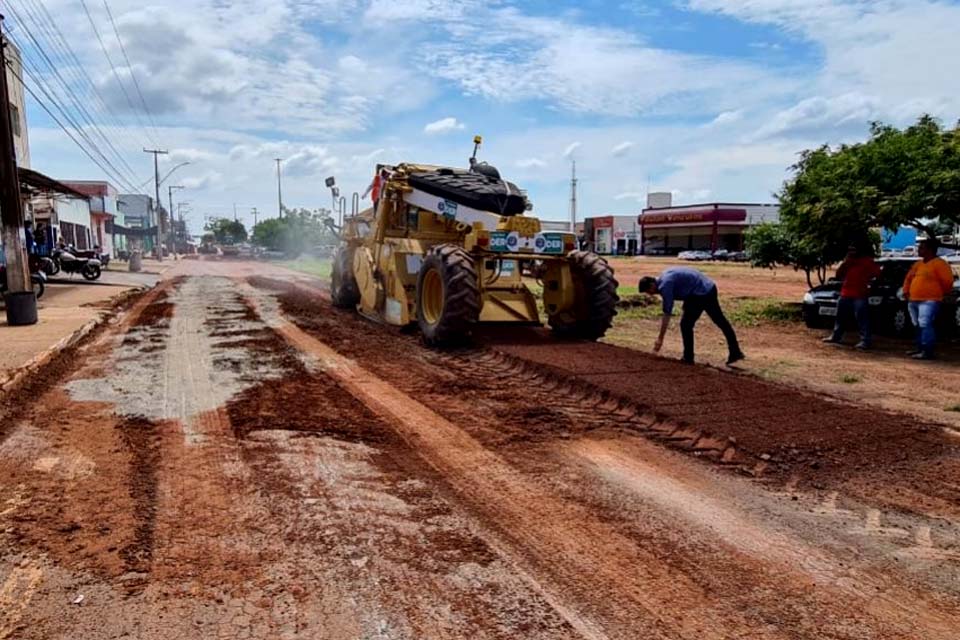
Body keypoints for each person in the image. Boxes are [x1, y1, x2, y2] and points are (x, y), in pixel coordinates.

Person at [639, 267, 745, 365]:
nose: (651, 294)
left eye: (649, 291)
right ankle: (735, 351)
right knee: (720, 321)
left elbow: (667, 313)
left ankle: (688, 357)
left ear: (652, 285)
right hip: (708, 287)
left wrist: (660, 339)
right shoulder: (664, 276)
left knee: (686, 325)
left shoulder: (665, 285)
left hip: (700, 293)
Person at [902, 238, 955, 360]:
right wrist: (906, 291)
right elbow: (908, 278)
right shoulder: (918, 264)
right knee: (917, 325)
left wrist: (940, 293)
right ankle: (919, 348)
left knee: (925, 324)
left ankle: (927, 351)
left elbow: (947, 282)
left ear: (929, 250)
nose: (919, 250)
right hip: (913, 299)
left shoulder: (940, 264)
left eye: (921, 248)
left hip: (929, 300)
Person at [823, 243, 881, 349]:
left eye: (853, 250)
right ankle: (836, 336)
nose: (851, 252)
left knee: (862, 318)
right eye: (850, 250)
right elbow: (839, 274)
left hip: (860, 294)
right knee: (840, 317)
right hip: (845, 293)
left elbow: (877, 274)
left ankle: (865, 340)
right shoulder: (848, 261)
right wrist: (845, 263)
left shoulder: (867, 261)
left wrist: (870, 284)